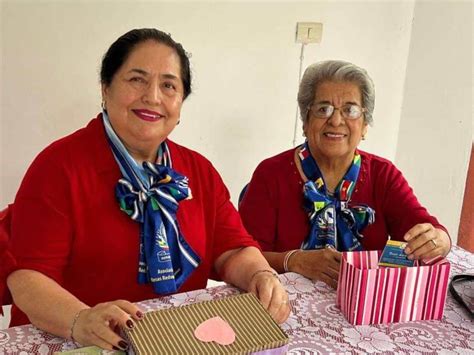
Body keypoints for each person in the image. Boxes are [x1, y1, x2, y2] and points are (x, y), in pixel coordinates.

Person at [6, 28, 290, 351]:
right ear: (105, 88)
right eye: (137, 80)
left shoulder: (198, 171)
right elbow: (27, 279)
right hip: (83, 342)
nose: (153, 96)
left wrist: (261, 275)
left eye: (169, 85)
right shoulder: (57, 168)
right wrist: (81, 319)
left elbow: (234, 250)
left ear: (180, 103)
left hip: (178, 340)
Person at [239, 60, 451, 289]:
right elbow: (242, 256)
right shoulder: (271, 174)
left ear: (365, 124)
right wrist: (293, 260)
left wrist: (439, 240)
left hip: (365, 304)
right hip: (284, 302)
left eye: (350, 110)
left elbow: (426, 229)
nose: (336, 120)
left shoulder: (383, 175)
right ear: (305, 121)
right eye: (323, 109)